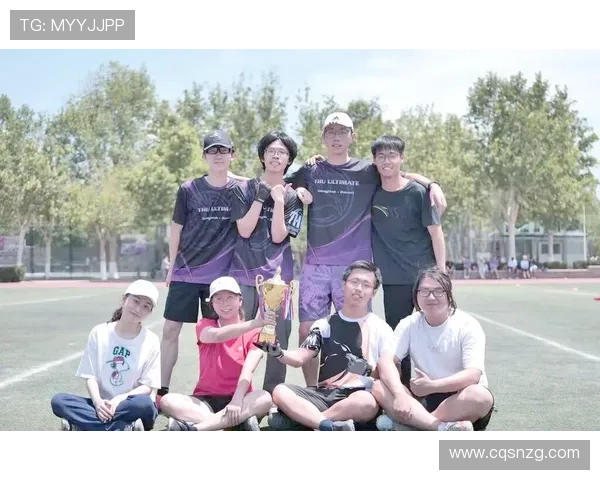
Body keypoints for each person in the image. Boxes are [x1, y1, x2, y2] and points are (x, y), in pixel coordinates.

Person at [284, 112, 447, 387]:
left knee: (357, 331)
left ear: (352, 137)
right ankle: (313, 391)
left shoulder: (368, 170)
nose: (336, 137)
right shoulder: (311, 170)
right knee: (307, 330)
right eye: (331, 132)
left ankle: (352, 388)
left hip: (355, 268)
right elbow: (280, 184)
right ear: (323, 137)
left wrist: (432, 184)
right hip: (316, 264)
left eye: (342, 132)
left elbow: (398, 173)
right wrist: (296, 193)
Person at [256, 260, 395, 432]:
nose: (358, 288)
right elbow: (300, 357)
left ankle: (308, 420)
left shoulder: (381, 328)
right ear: (343, 284)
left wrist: (366, 370)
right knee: (279, 391)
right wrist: (279, 353)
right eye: (354, 282)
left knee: (367, 403)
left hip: (357, 396)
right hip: (323, 395)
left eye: (366, 285)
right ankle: (327, 425)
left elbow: (391, 374)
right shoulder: (323, 324)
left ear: (373, 292)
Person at [158, 130, 240, 406]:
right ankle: (161, 390)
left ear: (232, 154)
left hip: (219, 281)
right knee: (170, 330)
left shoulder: (239, 190)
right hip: (185, 273)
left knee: (217, 336)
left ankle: (215, 392)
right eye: (212, 150)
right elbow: (176, 227)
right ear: (204, 155)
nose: (218, 155)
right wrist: (172, 265)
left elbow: (268, 181)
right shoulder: (188, 189)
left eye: (223, 150)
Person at [373, 267, 495, 432]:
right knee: (379, 386)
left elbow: (473, 375)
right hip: (424, 399)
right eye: (424, 291)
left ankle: (414, 425)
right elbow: (386, 361)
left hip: (459, 398)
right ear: (416, 295)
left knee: (480, 396)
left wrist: (432, 386)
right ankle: (440, 427)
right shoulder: (409, 323)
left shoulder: (468, 325)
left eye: (438, 291)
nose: (431, 297)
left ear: (449, 294)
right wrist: (400, 395)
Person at [229, 131, 304, 394]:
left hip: (277, 280)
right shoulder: (243, 190)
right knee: (238, 336)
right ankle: (234, 394)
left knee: (277, 339)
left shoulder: (294, 198)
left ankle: (273, 396)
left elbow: (278, 236)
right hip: (243, 274)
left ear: (289, 160)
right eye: (271, 150)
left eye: (282, 152)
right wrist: (260, 198)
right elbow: (244, 230)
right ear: (262, 156)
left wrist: (280, 200)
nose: (276, 155)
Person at [370, 134, 446, 385]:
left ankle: (437, 389)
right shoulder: (371, 191)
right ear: (374, 161)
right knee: (397, 342)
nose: (386, 161)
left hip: (425, 278)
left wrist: (441, 274)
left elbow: (436, 233)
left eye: (392, 155)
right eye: (381, 156)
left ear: (402, 158)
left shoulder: (419, 193)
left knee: (434, 336)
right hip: (393, 280)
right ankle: (402, 393)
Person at [159, 276, 274, 432]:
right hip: (205, 400)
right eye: (218, 299)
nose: (224, 303)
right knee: (167, 401)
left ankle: (196, 427)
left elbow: (249, 369)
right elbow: (216, 336)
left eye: (230, 297)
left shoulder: (254, 333)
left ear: (240, 300)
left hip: (240, 398)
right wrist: (255, 323)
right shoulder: (205, 324)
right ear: (211, 304)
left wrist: (236, 400)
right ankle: (231, 424)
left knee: (265, 398)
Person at [50, 280, 161, 432]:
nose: (138, 309)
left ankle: (85, 425)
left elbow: (147, 387)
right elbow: (90, 376)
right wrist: (97, 402)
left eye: (146, 306)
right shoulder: (99, 332)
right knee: (59, 401)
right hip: (103, 405)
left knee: (144, 404)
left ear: (150, 312)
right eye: (135, 301)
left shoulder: (151, 340)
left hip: (129, 404)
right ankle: (123, 427)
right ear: (124, 299)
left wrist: (119, 400)